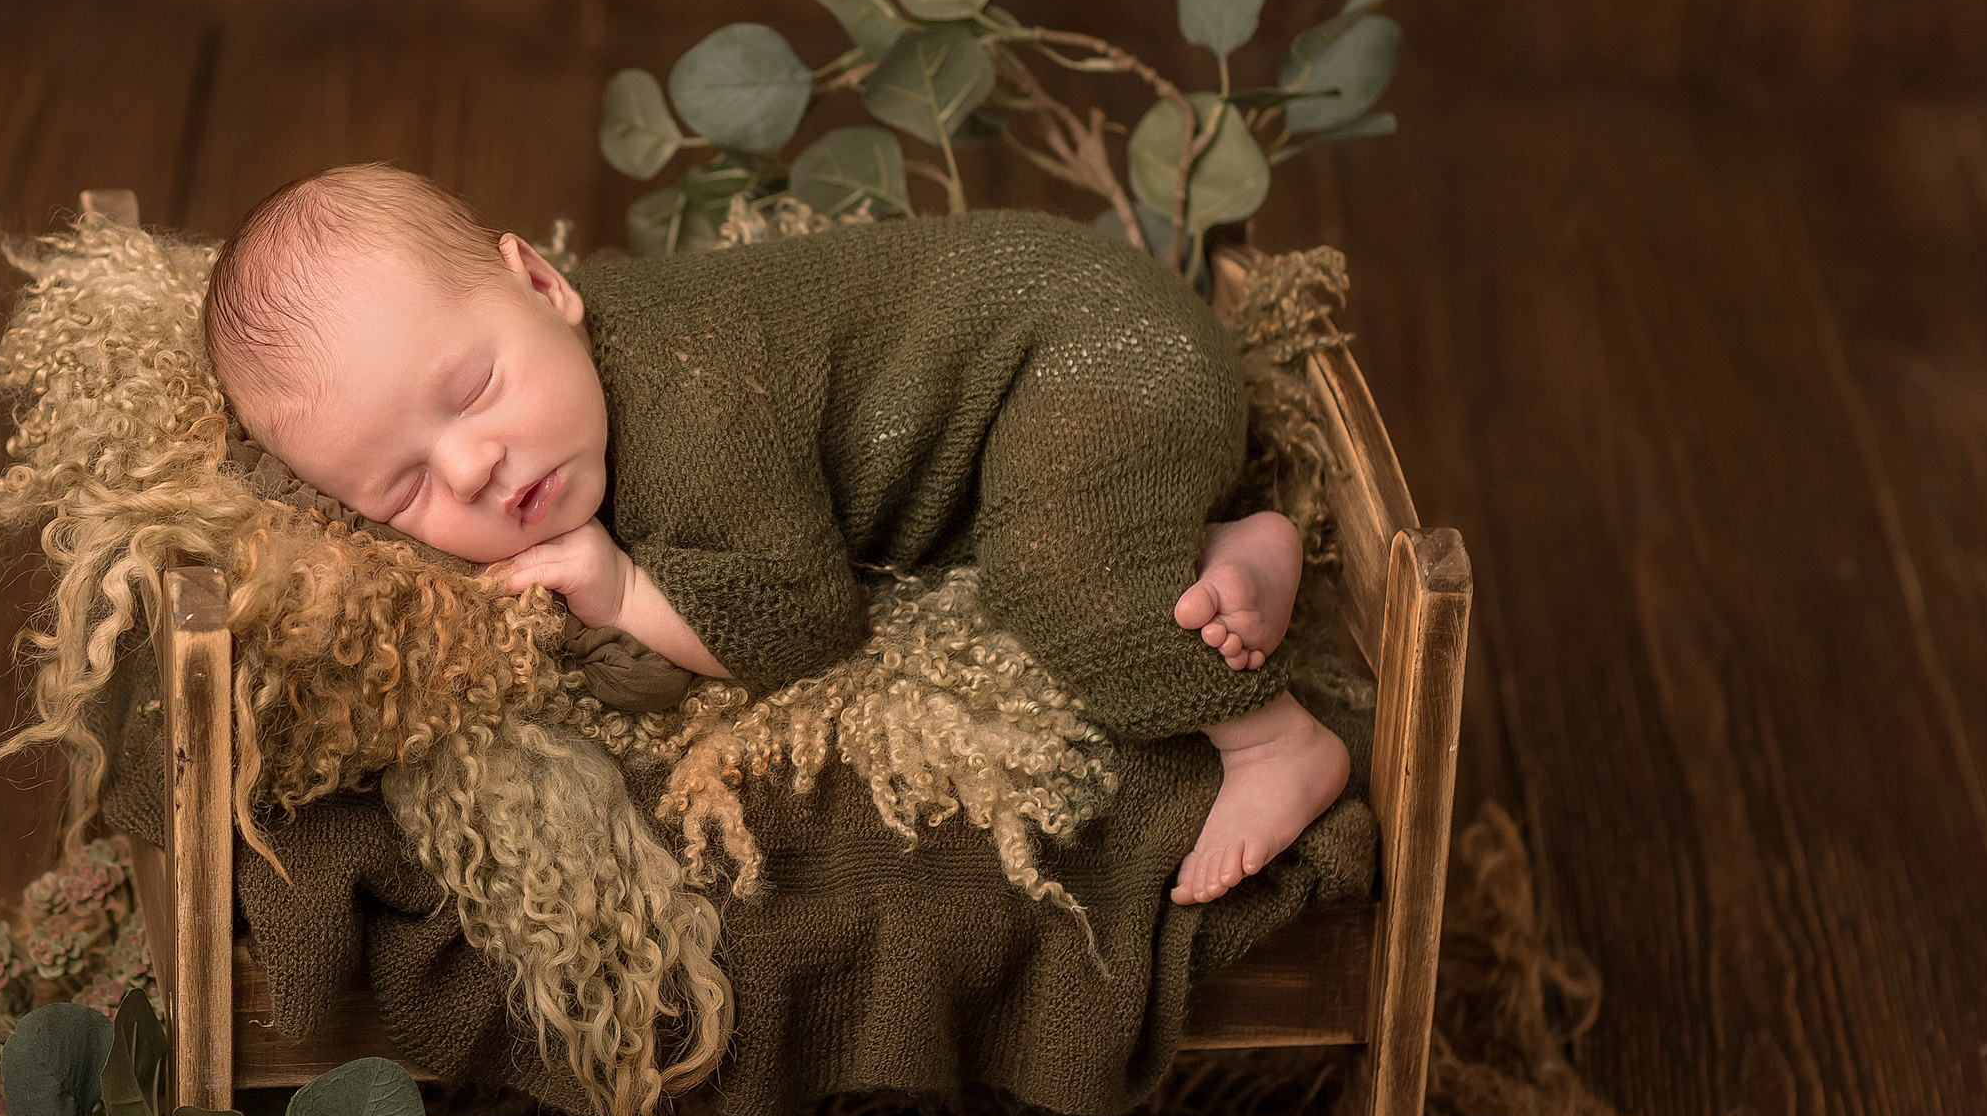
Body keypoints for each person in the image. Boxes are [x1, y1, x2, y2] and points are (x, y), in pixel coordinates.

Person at [202, 164, 1349, 905]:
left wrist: (617, 588)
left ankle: (1271, 741)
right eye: (402, 491)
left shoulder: (691, 407)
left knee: (1053, 574)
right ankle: (1222, 543)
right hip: (1059, 385)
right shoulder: (573, 386)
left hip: (1097, 354)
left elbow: (803, 621)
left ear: (544, 285)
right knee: (1079, 519)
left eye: (473, 388)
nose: (471, 468)